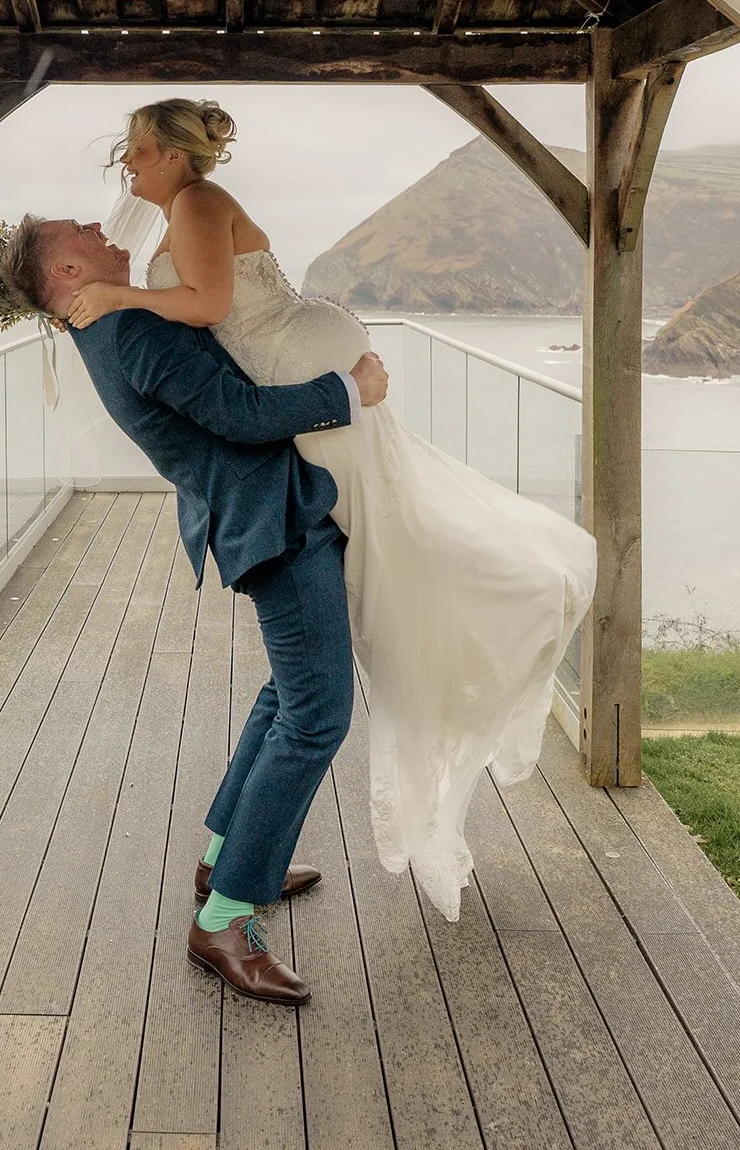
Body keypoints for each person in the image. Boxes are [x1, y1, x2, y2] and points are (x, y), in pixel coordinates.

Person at [62, 98, 599, 922]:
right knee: (316, 683)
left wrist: (122, 295)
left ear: (174, 155)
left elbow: (207, 309)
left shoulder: (192, 208)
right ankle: (229, 887)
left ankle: (230, 873)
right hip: (290, 442)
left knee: (336, 640)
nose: (125, 169)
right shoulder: (149, 262)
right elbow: (219, 369)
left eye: (135, 153)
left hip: (301, 402)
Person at [0, 213, 390, 1005]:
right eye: (80, 231)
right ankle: (225, 920)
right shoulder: (131, 327)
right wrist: (352, 389)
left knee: (289, 692)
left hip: (255, 508)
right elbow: (239, 417)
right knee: (316, 715)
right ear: (65, 272)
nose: (100, 225)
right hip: (271, 517)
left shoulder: (105, 320)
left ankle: (225, 854)